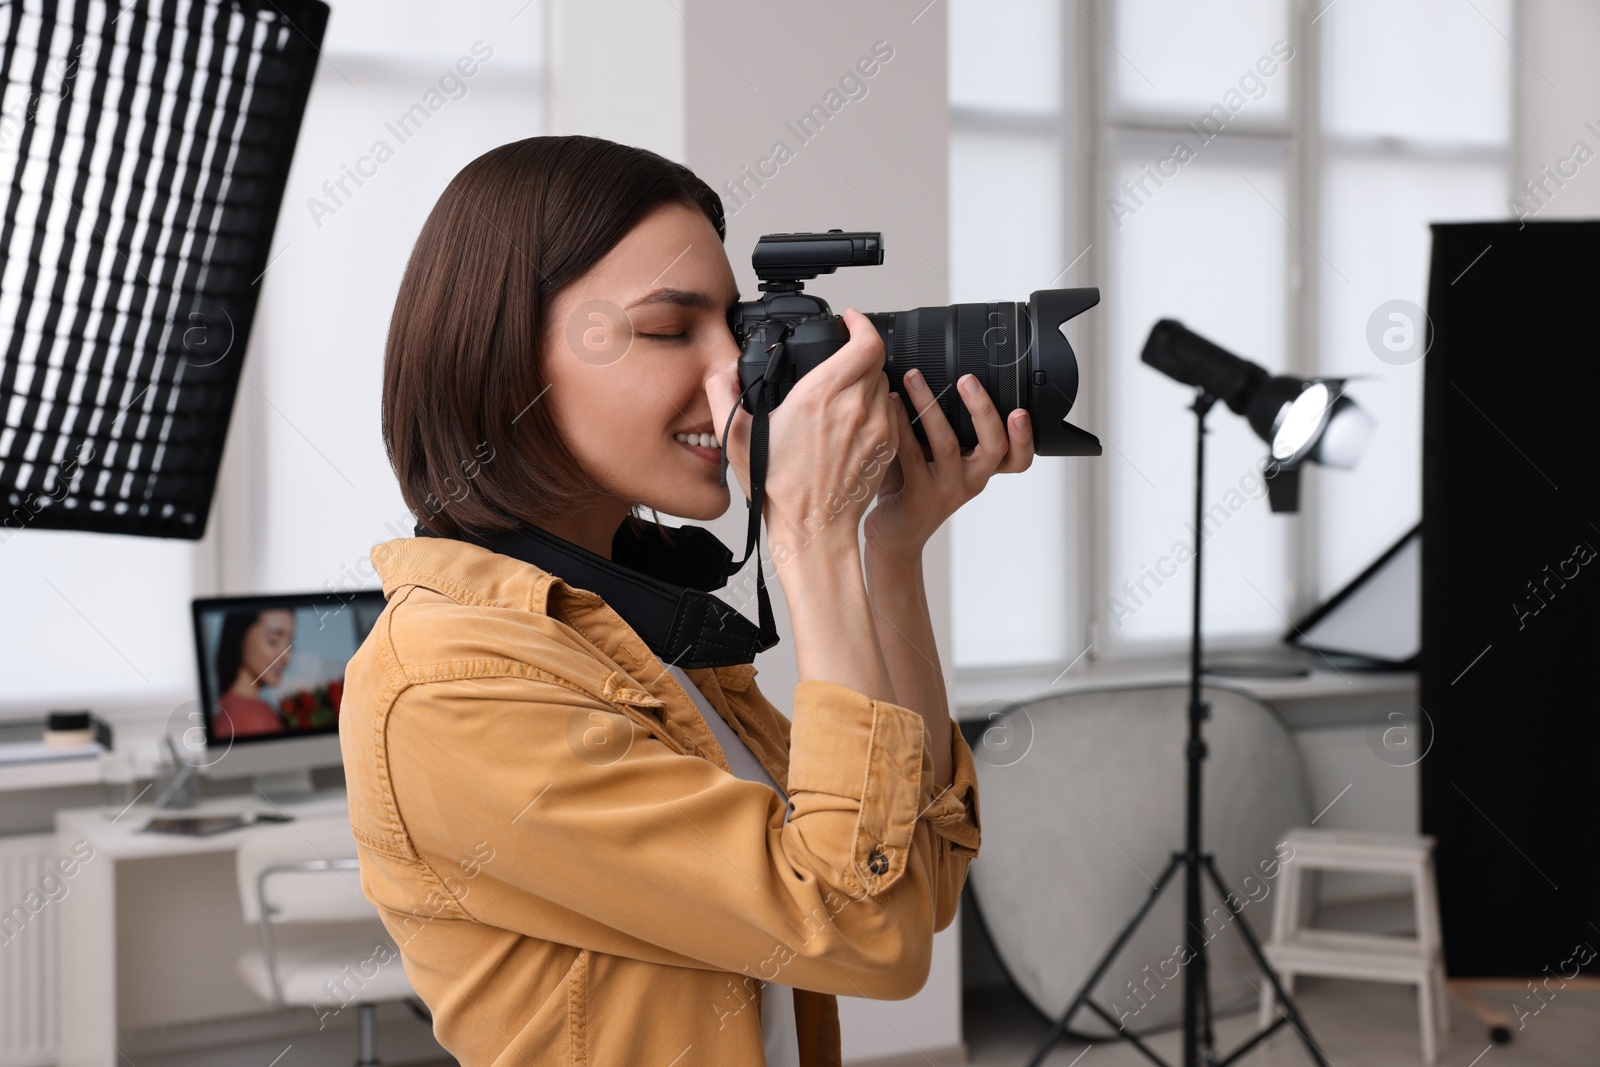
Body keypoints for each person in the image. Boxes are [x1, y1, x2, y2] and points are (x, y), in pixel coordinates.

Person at [341, 135, 1036, 1066]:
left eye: (735, 329)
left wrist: (888, 546)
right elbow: (864, 930)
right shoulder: (450, 685)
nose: (732, 379)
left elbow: (917, 879)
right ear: (508, 358)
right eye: (671, 330)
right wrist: (810, 536)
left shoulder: (636, 629)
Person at [212, 609, 292, 739]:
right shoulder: (246, 717)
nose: (287, 656)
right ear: (240, 634)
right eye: (273, 641)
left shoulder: (256, 710)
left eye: (289, 646)